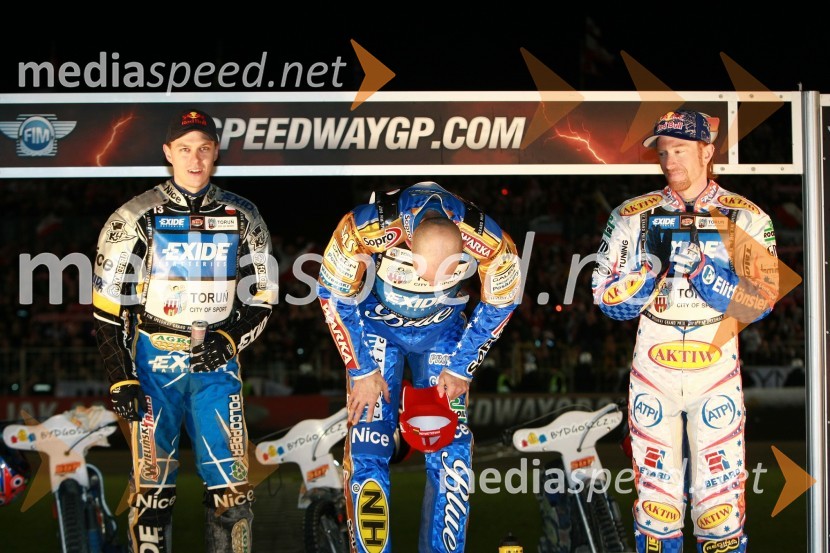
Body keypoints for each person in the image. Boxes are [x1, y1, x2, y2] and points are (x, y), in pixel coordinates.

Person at [591, 110, 779, 553]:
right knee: (657, 508)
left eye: (679, 150)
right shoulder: (630, 215)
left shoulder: (747, 217)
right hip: (652, 366)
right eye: (663, 151)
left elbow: (762, 303)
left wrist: (704, 273)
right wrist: (647, 274)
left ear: (707, 152)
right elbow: (604, 298)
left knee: (721, 509)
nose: (669, 160)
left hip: (714, 367)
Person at [92, 108, 277, 553]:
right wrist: (121, 375)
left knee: (233, 498)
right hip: (154, 362)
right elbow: (105, 309)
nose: (195, 160)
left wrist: (228, 340)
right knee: (153, 496)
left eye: (205, 149)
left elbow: (264, 299)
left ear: (216, 154)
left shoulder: (245, 216)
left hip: (218, 367)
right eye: (185, 149)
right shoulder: (134, 216)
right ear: (167, 153)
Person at [317, 181, 521, 553]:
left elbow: (503, 301)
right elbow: (332, 293)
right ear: (408, 248)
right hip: (375, 330)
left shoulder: (489, 239)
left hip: (444, 334)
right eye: (428, 277)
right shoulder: (366, 227)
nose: (437, 286)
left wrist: (461, 367)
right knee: (368, 444)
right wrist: (361, 369)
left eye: (450, 277)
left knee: (452, 448)